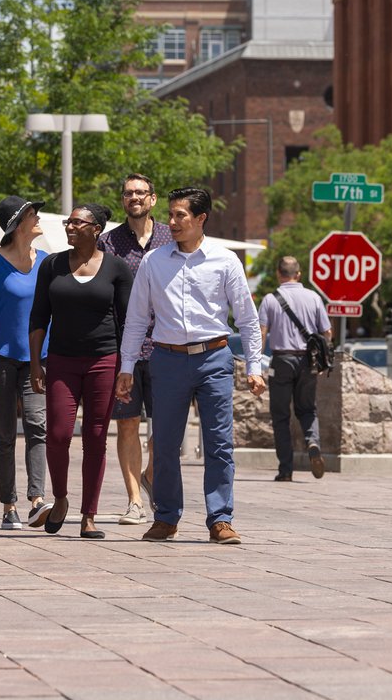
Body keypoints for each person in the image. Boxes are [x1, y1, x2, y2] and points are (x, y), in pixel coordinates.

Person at [116, 188, 266, 545]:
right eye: (170, 215)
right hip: (166, 359)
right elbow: (137, 318)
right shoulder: (154, 261)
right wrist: (126, 365)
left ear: (201, 219)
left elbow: (247, 319)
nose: (172, 222)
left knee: (219, 443)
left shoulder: (226, 261)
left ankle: (220, 519)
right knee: (165, 444)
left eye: (181, 216)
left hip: (214, 357)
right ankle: (166, 517)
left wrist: (254, 367)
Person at [29, 204, 133, 539]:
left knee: (96, 437)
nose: (69, 226)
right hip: (61, 360)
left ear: (97, 228)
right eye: (68, 222)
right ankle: (60, 498)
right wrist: (35, 363)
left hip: (104, 360)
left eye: (77, 222)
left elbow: (128, 321)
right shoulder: (52, 264)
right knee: (58, 434)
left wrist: (125, 369)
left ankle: (89, 514)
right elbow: (38, 317)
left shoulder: (117, 268)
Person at [97, 173, 174, 524]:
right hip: (124, 346)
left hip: (167, 346)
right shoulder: (108, 242)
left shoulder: (170, 236)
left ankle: (151, 476)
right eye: (128, 193)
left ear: (153, 199)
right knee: (127, 424)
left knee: (165, 427)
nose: (134, 198)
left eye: (141, 193)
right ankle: (135, 501)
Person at [0, 196, 49, 530]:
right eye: (33, 214)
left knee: (37, 425)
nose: (38, 218)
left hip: (37, 360)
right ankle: (9, 506)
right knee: (4, 434)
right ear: (18, 224)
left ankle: (37, 501)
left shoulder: (47, 263)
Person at [258, 256, 333, 481]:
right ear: (298, 274)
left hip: (281, 360)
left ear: (278, 274)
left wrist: (256, 362)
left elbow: (261, 333)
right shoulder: (314, 297)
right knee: (307, 409)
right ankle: (313, 442)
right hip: (308, 361)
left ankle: (285, 470)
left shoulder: (270, 300)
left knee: (280, 416)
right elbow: (327, 333)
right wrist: (323, 359)